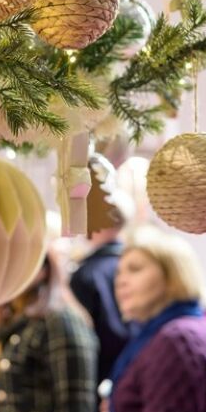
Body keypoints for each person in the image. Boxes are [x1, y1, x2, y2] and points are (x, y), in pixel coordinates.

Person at [26, 226, 206, 412]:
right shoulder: (176, 330)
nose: (120, 281)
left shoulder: (178, 339)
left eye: (134, 269)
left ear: (172, 276)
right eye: (119, 272)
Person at [0, 252, 98, 412]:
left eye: (14, 262)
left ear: (41, 270)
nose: (3, 271)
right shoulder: (14, 317)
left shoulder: (61, 322)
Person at [70, 155, 132, 385]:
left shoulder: (87, 274)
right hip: (130, 365)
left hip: (98, 371)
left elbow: (81, 330)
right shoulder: (134, 263)